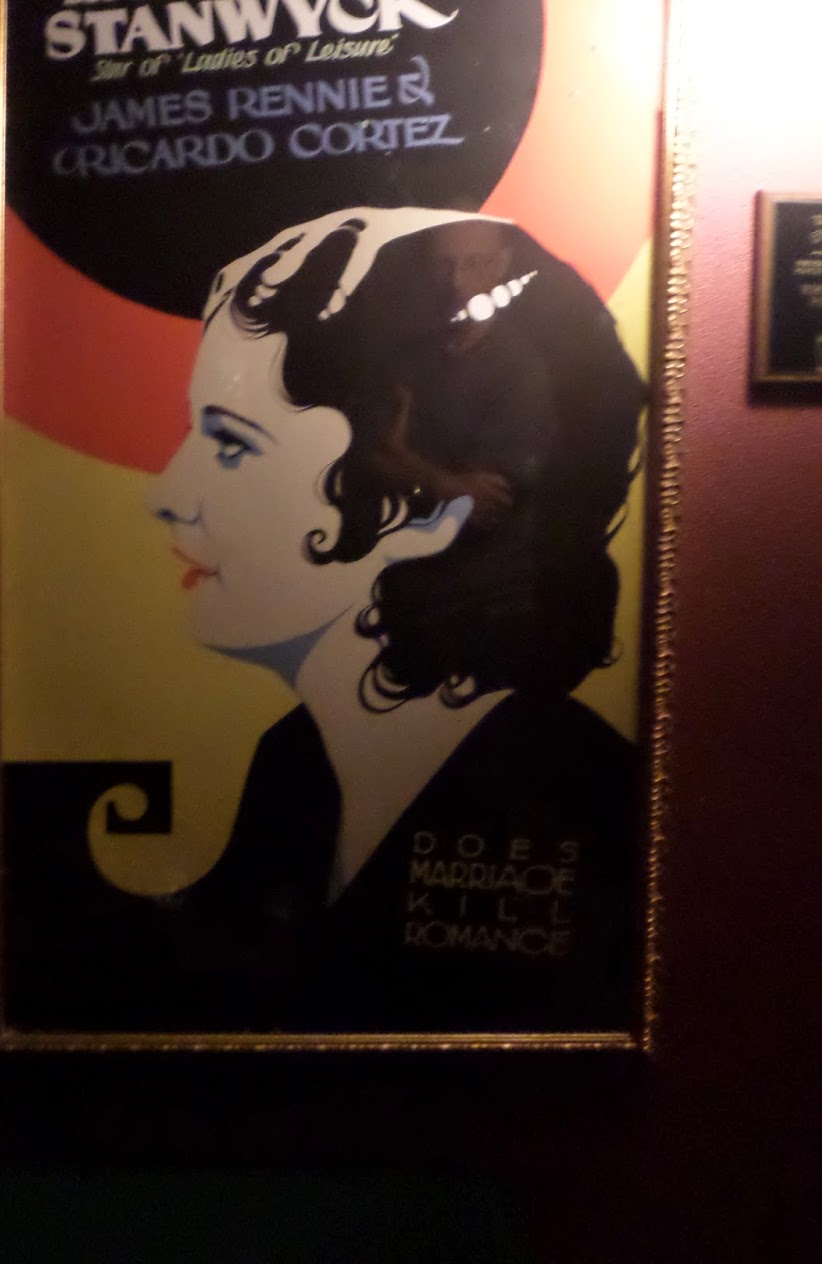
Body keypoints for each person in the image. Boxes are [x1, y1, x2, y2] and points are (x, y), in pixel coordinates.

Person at [137, 207, 647, 1032]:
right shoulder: (290, 764)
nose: (165, 496)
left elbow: (485, 501)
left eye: (231, 445)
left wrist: (410, 465)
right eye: (443, 265)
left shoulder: (566, 781)